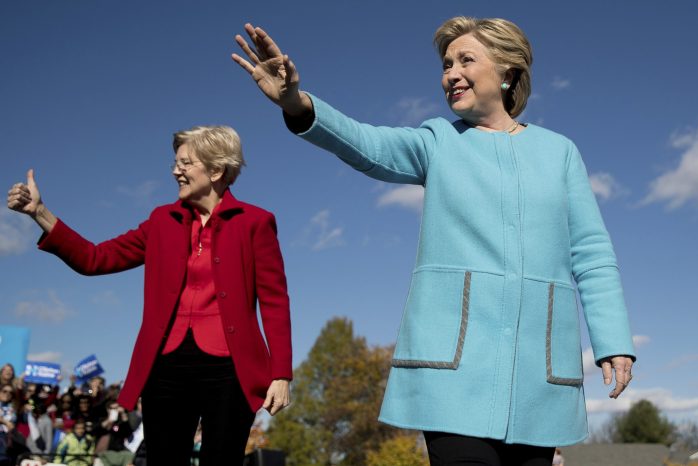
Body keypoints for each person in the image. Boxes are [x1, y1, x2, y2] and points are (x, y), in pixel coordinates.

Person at [232, 16, 635, 466]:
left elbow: (592, 252)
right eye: (446, 65)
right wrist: (296, 103)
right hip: (454, 372)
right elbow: (368, 145)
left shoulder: (560, 152)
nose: (450, 74)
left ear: (507, 72)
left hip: (539, 380)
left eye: (466, 60)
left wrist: (613, 338)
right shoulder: (437, 140)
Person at [6, 125, 293, 466]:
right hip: (166, 367)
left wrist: (281, 373)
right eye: (175, 163)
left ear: (216, 170)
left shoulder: (256, 222)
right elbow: (94, 258)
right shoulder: (160, 222)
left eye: (185, 163)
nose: (176, 171)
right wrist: (40, 213)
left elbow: (275, 300)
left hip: (232, 369)